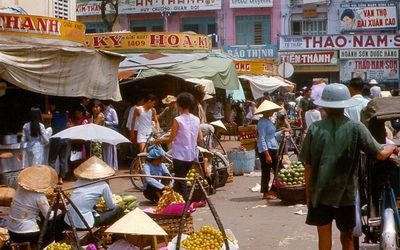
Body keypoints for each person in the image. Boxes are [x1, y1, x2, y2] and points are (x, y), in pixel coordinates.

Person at [299, 83, 399, 250]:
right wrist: (392, 148)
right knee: (348, 238)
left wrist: (308, 196)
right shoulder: (356, 127)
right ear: (345, 104)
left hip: (320, 194)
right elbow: (380, 154)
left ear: (326, 106)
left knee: (324, 241)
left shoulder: (315, 129)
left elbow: (308, 166)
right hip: (346, 195)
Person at [155, 92, 202, 201]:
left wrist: (159, 140)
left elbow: (170, 139)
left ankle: (186, 205)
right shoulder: (196, 119)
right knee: (179, 180)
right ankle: (172, 201)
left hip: (179, 156)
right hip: (190, 155)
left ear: (179, 105)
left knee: (181, 182)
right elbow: (200, 138)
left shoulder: (178, 120)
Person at [8, 165, 66, 247]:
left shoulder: (20, 188)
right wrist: (60, 211)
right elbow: (49, 216)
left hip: (12, 231)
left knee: (40, 216)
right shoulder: (39, 196)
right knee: (60, 219)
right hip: (26, 234)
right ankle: (46, 243)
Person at [64, 156, 124, 229]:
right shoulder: (103, 185)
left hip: (69, 220)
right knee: (118, 210)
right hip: (85, 223)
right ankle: (116, 237)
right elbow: (112, 206)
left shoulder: (78, 181)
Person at [255, 100, 291, 200]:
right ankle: (266, 192)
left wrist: (281, 131)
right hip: (266, 149)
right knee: (267, 171)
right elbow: (262, 138)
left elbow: (272, 136)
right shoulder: (262, 122)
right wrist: (267, 154)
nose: (273, 112)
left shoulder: (269, 121)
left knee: (278, 170)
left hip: (273, 147)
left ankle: (273, 189)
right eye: (271, 111)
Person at [130, 94, 160, 176]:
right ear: (149, 101)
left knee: (151, 153)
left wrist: (157, 131)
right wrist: (132, 133)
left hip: (150, 133)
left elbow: (156, 121)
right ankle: (138, 172)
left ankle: (144, 171)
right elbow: (133, 121)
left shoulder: (153, 110)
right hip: (141, 133)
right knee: (143, 153)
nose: (153, 105)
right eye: (153, 103)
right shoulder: (138, 109)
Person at [47, 100, 70, 185]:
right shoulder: (65, 115)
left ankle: (53, 178)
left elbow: (45, 116)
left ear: (55, 106)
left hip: (56, 139)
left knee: (52, 160)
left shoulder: (54, 115)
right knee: (62, 160)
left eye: (51, 105)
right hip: (65, 139)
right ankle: (61, 179)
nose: (50, 107)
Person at [102, 100, 119, 170]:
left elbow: (116, 122)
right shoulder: (103, 111)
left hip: (110, 131)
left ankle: (112, 166)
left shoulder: (112, 111)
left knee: (111, 149)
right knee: (105, 148)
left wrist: (107, 122)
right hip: (104, 132)